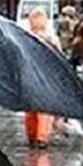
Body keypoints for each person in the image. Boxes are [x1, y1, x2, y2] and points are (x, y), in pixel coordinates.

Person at [24, 8, 61, 148]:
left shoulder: (26, 37)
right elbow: (59, 58)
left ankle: (32, 135)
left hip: (30, 77)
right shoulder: (51, 38)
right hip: (47, 77)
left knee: (31, 109)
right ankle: (42, 137)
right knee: (45, 109)